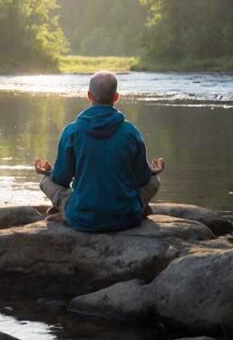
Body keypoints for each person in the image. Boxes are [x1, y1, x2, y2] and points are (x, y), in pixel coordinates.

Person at [34, 70, 165, 232]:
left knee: (45, 181)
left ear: (89, 95)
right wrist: (153, 171)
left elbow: (61, 179)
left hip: (83, 218)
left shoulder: (72, 131)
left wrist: (48, 172)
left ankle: (68, 212)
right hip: (126, 217)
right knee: (155, 181)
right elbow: (143, 179)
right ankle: (139, 209)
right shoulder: (131, 132)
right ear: (116, 97)